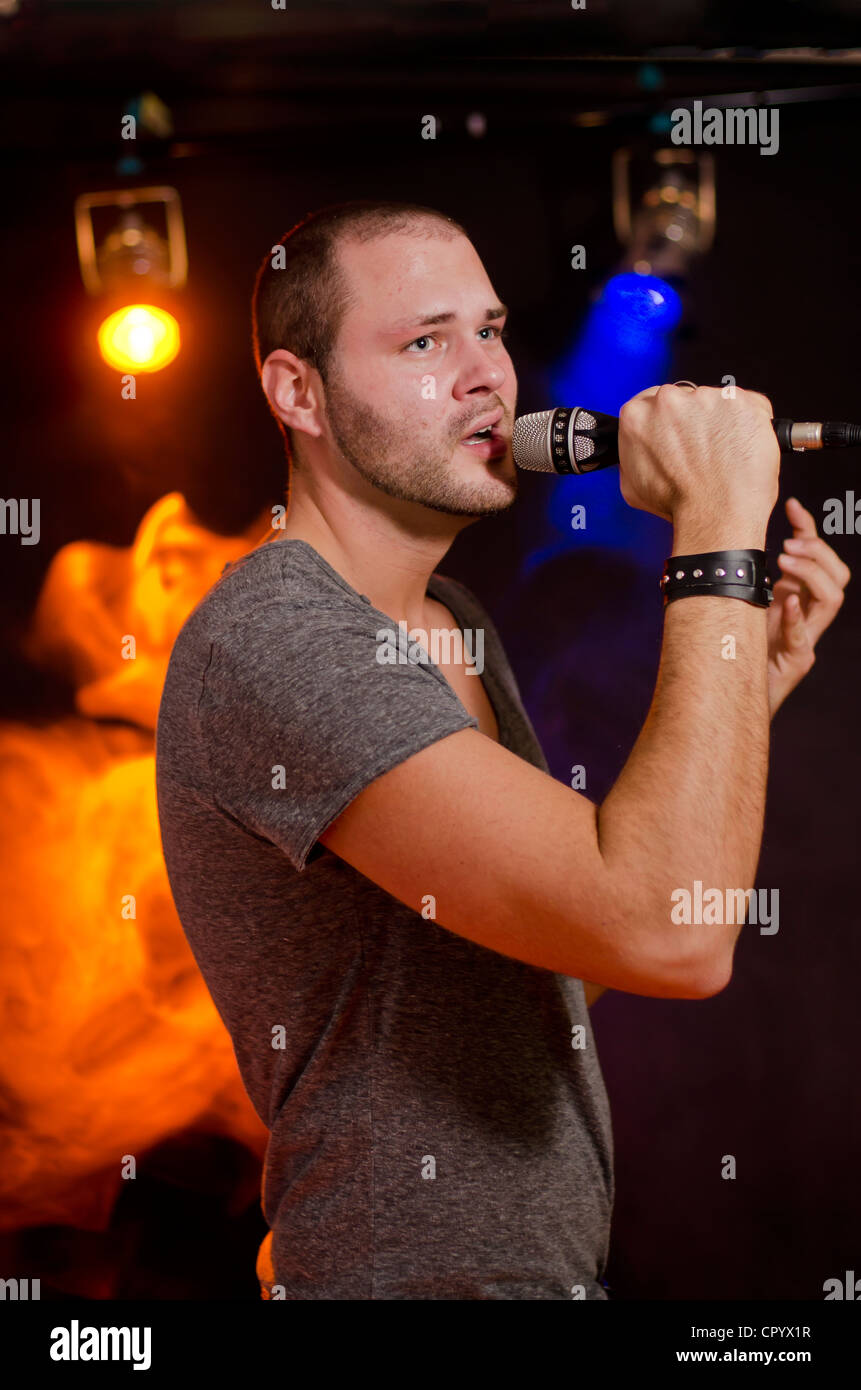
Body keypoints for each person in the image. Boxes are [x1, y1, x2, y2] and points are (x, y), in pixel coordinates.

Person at [155, 199, 849, 1300]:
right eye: (426, 341)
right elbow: (676, 936)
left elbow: (561, 962)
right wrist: (717, 532)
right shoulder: (276, 637)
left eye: (490, 328)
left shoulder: (456, 622)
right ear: (299, 393)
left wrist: (743, 694)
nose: (487, 373)